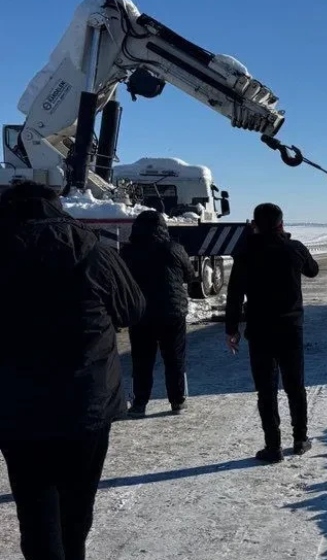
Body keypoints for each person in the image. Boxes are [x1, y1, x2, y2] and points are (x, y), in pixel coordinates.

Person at [0, 181, 146, 560]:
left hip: (15, 408)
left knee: (36, 517)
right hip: (87, 404)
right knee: (75, 514)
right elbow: (132, 309)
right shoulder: (94, 249)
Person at [224, 203, 320, 463]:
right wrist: (290, 246)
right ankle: (300, 439)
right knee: (295, 386)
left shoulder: (245, 253)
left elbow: (233, 295)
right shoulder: (294, 249)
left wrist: (231, 329)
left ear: (254, 224)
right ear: (281, 223)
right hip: (291, 329)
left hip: (260, 330)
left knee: (266, 390)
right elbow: (313, 270)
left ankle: (273, 447)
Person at [120, 210, 197, 417]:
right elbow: (190, 275)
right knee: (174, 358)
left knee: (142, 361)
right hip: (172, 313)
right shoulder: (174, 248)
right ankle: (177, 401)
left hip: (141, 315)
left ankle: (139, 404)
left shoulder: (128, 252)